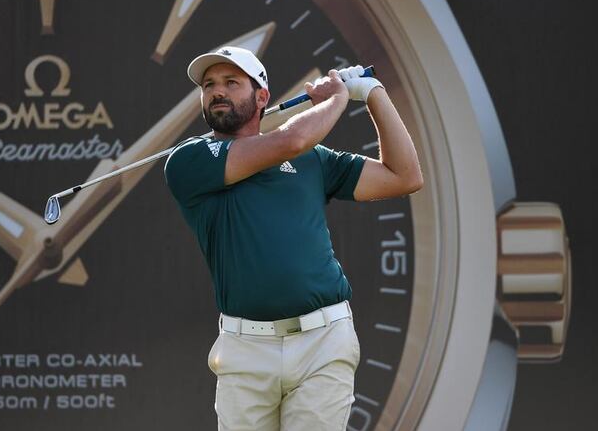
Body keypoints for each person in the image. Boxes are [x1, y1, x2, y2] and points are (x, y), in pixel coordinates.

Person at [163, 46, 423, 430]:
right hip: (244, 350)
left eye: (232, 83)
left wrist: (371, 93)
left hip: (323, 341)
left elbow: (405, 176)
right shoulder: (190, 159)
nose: (217, 91)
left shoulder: (312, 159)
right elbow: (290, 140)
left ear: (262, 97)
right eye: (209, 85)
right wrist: (337, 98)